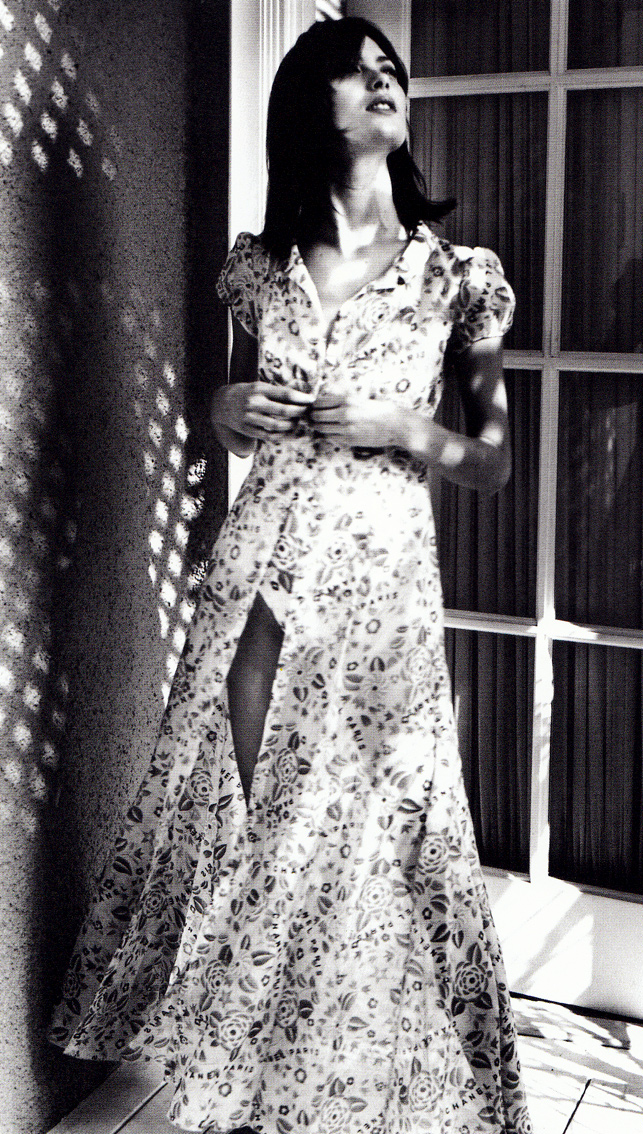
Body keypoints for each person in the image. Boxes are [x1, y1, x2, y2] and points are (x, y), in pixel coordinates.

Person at [49, 16, 531, 1134]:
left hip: (383, 591)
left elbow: (496, 463)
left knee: (389, 837)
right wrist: (225, 404)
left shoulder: (458, 278)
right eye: (356, 75)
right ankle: (279, 1101)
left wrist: (403, 427)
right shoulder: (259, 270)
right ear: (310, 110)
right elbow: (231, 423)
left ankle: (415, 1093)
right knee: (279, 845)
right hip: (263, 588)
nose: (383, 84)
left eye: (390, 71)